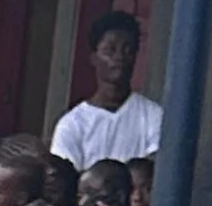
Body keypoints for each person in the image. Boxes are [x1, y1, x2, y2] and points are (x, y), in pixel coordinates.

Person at [49, 11, 163, 174]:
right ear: (94, 58)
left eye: (127, 50)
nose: (119, 57)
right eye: (110, 50)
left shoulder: (153, 115)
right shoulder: (73, 124)